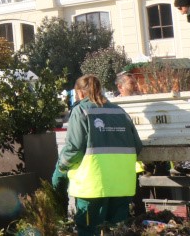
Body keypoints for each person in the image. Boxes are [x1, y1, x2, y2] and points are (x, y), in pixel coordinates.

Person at [52, 75, 143, 236]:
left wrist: (61, 168)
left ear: (79, 93)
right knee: (117, 231)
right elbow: (137, 146)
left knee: (88, 230)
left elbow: (74, 149)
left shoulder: (81, 111)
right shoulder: (120, 112)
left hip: (92, 188)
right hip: (122, 186)